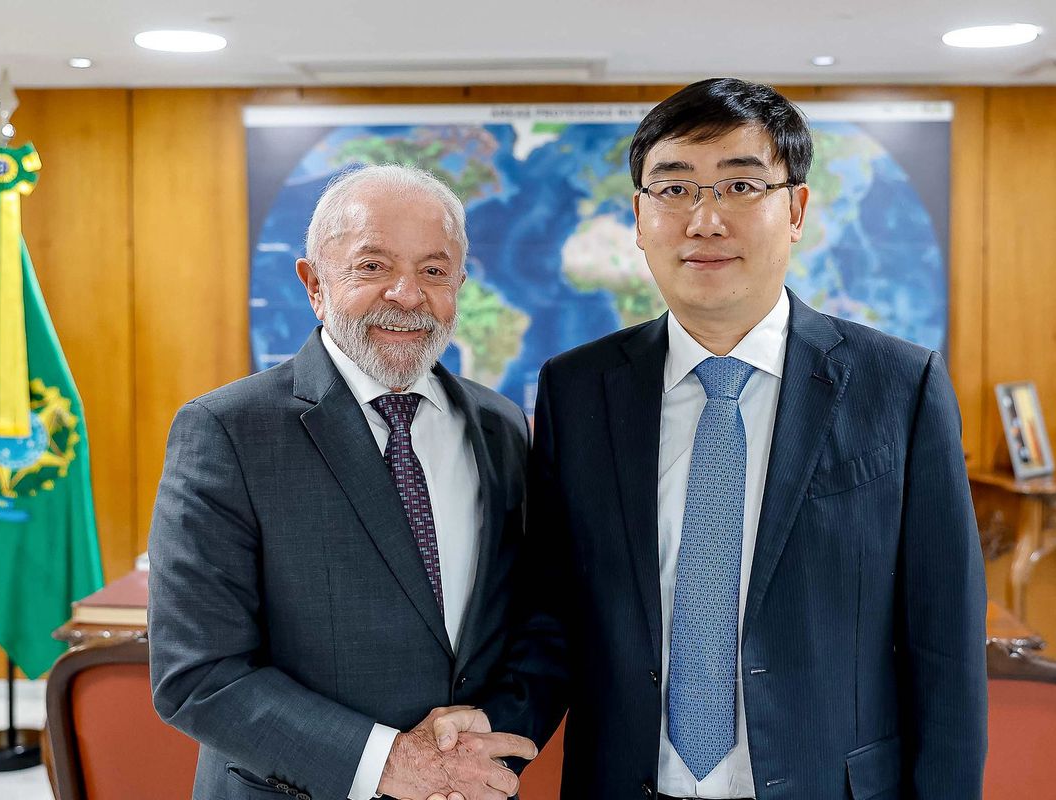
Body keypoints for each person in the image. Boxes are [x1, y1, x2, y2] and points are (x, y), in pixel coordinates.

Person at [441, 77, 988, 800]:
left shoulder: (899, 386)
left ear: (796, 210)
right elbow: (556, 614)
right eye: (674, 190)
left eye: (740, 186)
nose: (704, 220)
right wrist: (491, 734)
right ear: (640, 218)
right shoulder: (578, 390)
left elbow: (945, 646)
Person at [149, 164, 537, 800]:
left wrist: (483, 741)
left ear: (459, 286)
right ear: (314, 284)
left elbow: (525, 621)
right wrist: (392, 763)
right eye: (373, 266)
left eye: (433, 271)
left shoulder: (501, 426)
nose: (407, 295)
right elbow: (197, 675)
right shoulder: (227, 430)